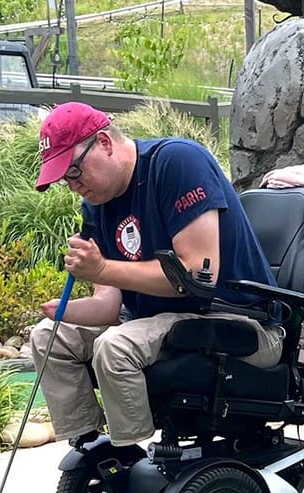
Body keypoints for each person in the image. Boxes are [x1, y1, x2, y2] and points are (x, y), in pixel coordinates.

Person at [27, 102, 281, 467]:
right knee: (48, 336)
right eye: (65, 179)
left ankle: (130, 456)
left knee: (116, 346)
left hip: (234, 320)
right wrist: (64, 312)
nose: (73, 186)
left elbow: (199, 275)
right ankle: (90, 446)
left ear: (104, 143)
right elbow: (109, 305)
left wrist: (101, 269)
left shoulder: (177, 163)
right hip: (164, 323)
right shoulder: (97, 203)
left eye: (74, 171)